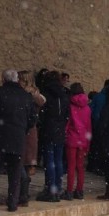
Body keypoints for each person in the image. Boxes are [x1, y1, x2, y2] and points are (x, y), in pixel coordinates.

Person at [0, 69, 37, 212]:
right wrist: (22, 129)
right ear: (17, 79)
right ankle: (13, 203)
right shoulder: (25, 96)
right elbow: (32, 119)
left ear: (3, 79)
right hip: (17, 139)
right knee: (15, 173)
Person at [36, 70, 70, 202]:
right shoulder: (64, 95)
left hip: (49, 130)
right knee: (58, 160)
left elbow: (42, 114)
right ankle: (58, 187)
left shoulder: (46, 94)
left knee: (49, 160)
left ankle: (51, 188)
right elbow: (67, 114)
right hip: (60, 130)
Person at [17, 70, 46, 206]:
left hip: (24, 129)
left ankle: (20, 194)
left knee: (20, 161)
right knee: (26, 163)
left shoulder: (27, 94)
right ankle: (23, 194)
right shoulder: (35, 93)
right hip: (31, 130)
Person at [62, 83, 92, 200]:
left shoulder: (70, 106)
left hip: (72, 138)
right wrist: (88, 144)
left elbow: (67, 124)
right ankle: (79, 191)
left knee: (71, 166)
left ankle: (69, 191)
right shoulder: (87, 108)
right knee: (80, 167)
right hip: (83, 139)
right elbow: (89, 127)